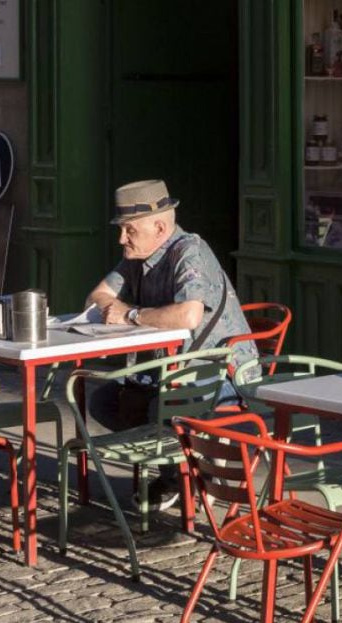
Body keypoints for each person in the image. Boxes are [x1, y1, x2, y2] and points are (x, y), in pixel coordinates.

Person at [85, 179, 259, 510]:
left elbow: (189, 314)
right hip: (170, 371)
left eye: (129, 231)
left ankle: (176, 477)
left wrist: (131, 314)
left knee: (158, 408)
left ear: (160, 226)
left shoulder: (189, 252)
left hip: (220, 374)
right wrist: (113, 309)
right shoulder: (139, 255)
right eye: (121, 230)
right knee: (105, 401)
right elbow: (97, 296)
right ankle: (188, 468)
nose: (122, 239)